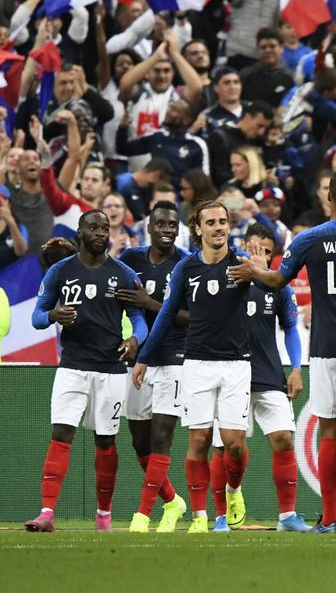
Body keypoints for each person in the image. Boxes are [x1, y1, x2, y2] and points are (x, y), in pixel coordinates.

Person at [227, 168, 336, 534]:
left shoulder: (309, 238)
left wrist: (253, 273)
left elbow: (278, 280)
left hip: (326, 347)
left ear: (328, 198)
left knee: (329, 431)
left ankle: (329, 517)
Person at [25, 210, 147, 533]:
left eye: (105, 228)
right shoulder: (60, 272)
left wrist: (135, 339)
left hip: (111, 370)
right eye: (93, 227)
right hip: (72, 367)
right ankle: (47, 512)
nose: (100, 232)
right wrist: (53, 314)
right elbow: (36, 317)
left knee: (106, 442)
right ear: (80, 231)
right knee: (61, 434)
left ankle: (103, 516)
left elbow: (140, 320)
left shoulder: (122, 273)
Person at [138, 200, 252, 534]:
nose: (219, 227)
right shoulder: (186, 269)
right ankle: (202, 517)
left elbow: (274, 287)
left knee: (233, 442)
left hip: (236, 364)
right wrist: (144, 357)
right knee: (199, 440)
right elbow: (167, 314)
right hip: (197, 363)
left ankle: (233, 490)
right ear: (198, 229)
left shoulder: (242, 265)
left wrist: (259, 270)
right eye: (212, 222)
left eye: (224, 221)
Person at [216, 223, 312, 532]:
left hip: (268, 372)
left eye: (268, 252)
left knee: (283, 438)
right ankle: (223, 510)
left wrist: (295, 367)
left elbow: (291, 329)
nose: (261, 256)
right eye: (255, 248)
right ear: (242, 244)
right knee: (229, 447)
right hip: (230, 372)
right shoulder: (225, 277)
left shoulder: (279, 287)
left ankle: (287, 516)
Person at [118, 202, 190, 534]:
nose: (167, 229)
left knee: (162, 437)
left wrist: (152, 305)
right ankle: (173, 500)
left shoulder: (186, 265)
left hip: (174, 358)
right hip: (138, 361)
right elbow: (103, 272)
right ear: (149, 226)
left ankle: (143, 515)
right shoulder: (131, 260)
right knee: (140, 443)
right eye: (161, 224)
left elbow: (195, 316)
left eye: (172, 225)